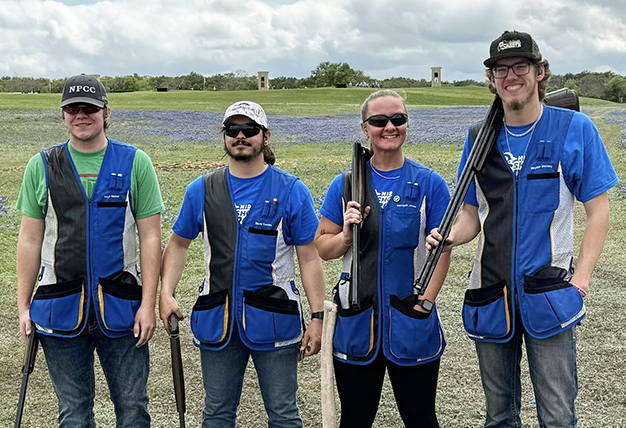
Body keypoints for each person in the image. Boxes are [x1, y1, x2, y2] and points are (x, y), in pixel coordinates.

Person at [427, 31, 619, 427]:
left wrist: (580, 281)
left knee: (557, 415)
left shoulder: (574, 127)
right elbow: (469, 214)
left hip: (548, 291)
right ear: (492, 78)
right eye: (501, 69)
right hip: (490, 291)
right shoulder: (478, 137)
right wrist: (450, 237)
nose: (510, 76)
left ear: (539, 71)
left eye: (520, 67)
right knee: (498, 416)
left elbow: (598, 211)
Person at [159, 101, 325, 428]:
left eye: (249, 129)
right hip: (217, 319)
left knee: (284, 414)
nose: (240, 136)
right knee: (217, 414)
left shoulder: (292, 190)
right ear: (224, 137)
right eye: (232, 130)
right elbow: (178, 243)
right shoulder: (201, 189)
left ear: (265, 136)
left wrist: (317, 316)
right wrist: (166, 292)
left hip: (275, 319)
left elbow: (309, 257)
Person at [16, 74, 163, 427]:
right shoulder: (43, 165)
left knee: (132, 408)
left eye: (90, 108)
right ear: (63, 114)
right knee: (74, 413)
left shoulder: (135, 162)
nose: (81, 115)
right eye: (73, 108)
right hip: (59, 305)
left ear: (105, 112)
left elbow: (151, 239)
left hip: (123, 307)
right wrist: (23, 306)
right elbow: (30, 240)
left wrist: (148, 305)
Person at [315, 90, 451, 427]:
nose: (389, 127)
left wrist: (426, 304)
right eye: (379, 121)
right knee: (356, 419)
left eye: (398, 119)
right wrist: (346, 235)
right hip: (357, 323)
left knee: (420, 418)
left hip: (411, 321)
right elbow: (322, 246)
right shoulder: (345, 184)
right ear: (365, 128)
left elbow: (442, 249)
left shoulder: (429, 183)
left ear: (407, 124)